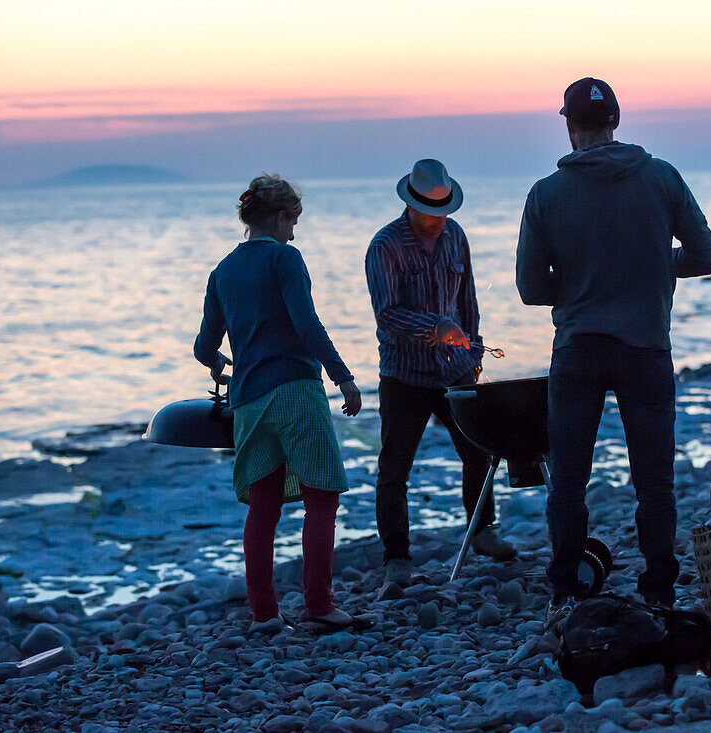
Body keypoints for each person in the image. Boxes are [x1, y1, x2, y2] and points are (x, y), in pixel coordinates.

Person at [515, 79, 711, 629]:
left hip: (579, 348)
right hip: (645, 348)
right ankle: (659, 588)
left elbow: (531, 289)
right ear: (618, 120)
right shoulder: (661, 177)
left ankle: (564, 591)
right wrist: (652, 264)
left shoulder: (546, 194)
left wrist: (584, 279)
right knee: (653, 478)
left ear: (568, 124)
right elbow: (707, 257)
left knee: (569, 478)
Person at [194, 174, 366, 633]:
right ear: (279, 216)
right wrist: (343, 376)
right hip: (294, 389)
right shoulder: (285, 258)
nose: (296, 230)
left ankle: (265, 615)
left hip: (248, 401)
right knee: (322, 496)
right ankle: (320, 605)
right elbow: (306, 325)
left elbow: (203, 346)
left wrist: (218, 364)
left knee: (264, 505)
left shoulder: (222, 272)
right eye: (294, 220)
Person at [366, 158, 517, 587]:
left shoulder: (456, 238)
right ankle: (396, 558)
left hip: (455, 371)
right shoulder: (385, 246)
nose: (438, 218)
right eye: (430, 211)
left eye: (443, 211)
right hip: (404, 374)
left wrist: (474, 352)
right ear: (411, 204)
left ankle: (483, 531)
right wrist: (434, 328)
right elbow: (387, 315)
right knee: (395, 468)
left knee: (479, 451)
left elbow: (467, 300)